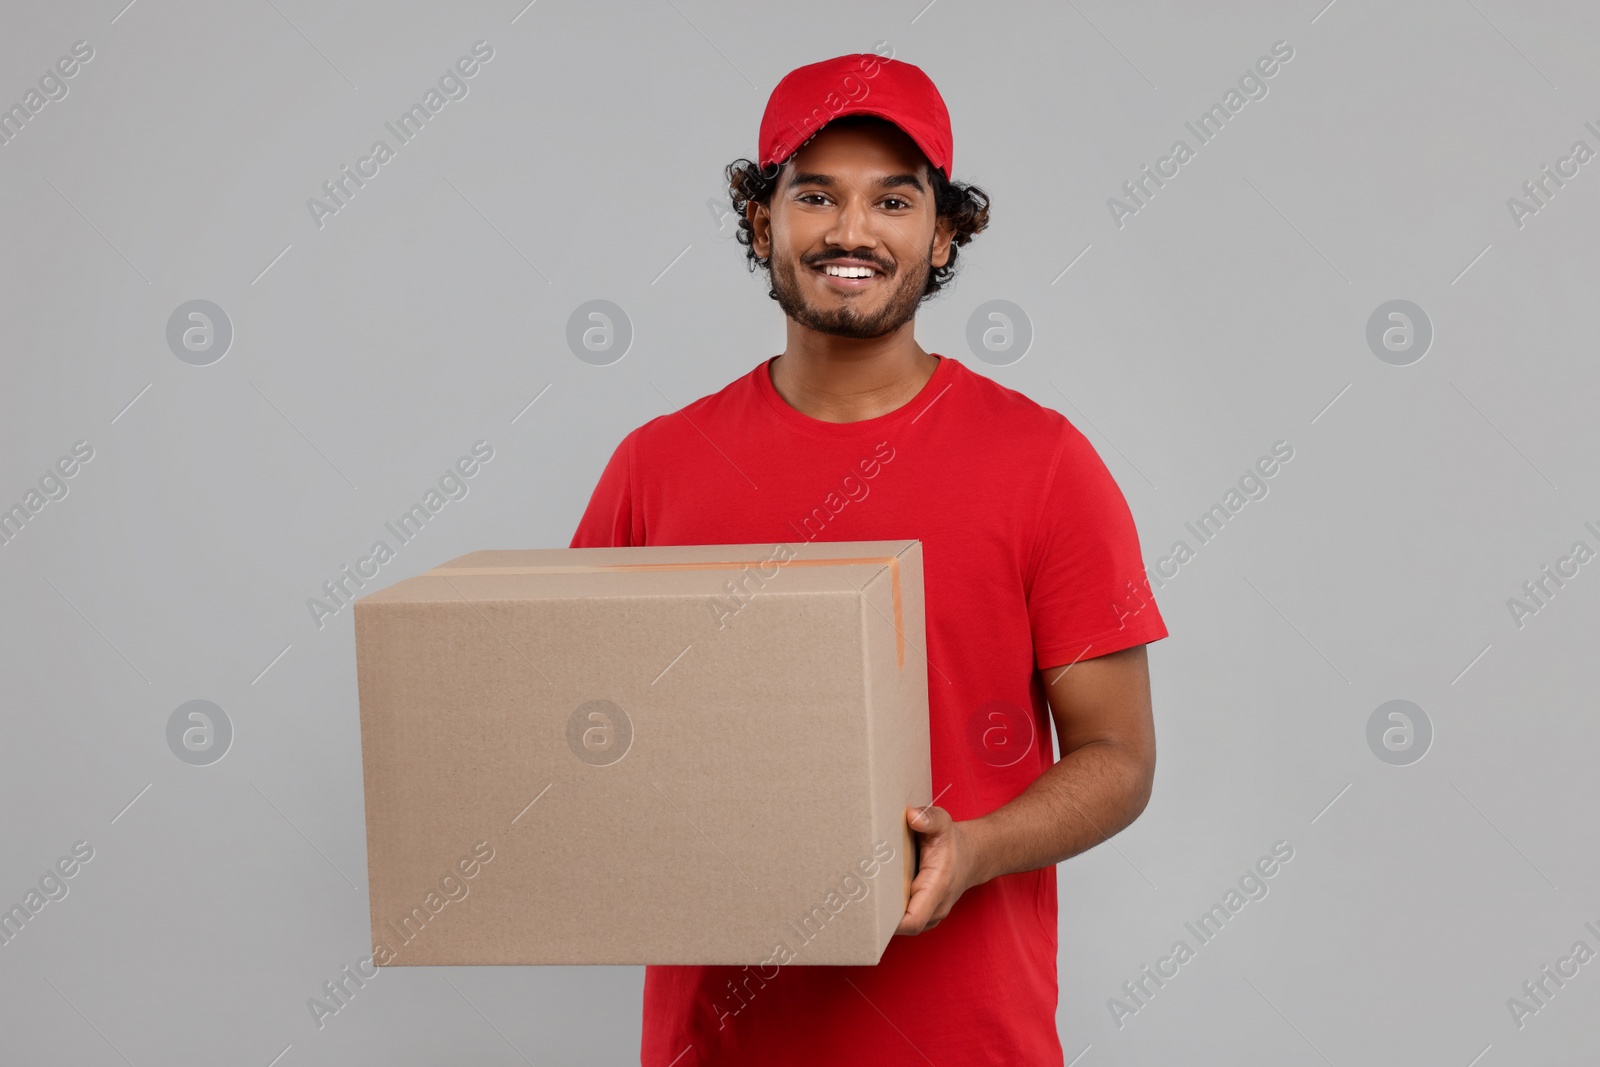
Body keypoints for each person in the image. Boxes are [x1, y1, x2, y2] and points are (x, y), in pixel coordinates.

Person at [570, 51, 1169, 1067]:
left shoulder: (1042, 463)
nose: (851, 231)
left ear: (942, 234)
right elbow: (577, 726)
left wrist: (974, 849)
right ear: (762, 224)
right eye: (815, 195)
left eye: (892, 199)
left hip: (968, 1041)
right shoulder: (657, 465)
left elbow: (1118, 756)